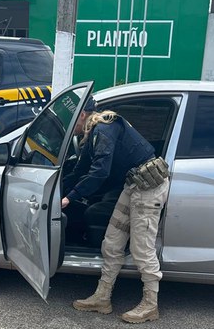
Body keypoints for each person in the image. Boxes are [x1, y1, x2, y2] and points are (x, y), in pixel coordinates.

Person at [64, 96, 170, 324]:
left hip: (148, 186)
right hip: (133, 185)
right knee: (112, 243)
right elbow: (81, 169)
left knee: (142, 249)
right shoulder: (92, 135)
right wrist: (59, 189)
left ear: (82, 115)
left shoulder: (104, 128)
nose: (68, 126)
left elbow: (100, 172)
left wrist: (71, 198)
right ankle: (102, 298)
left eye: (70, 119)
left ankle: (150, 305)